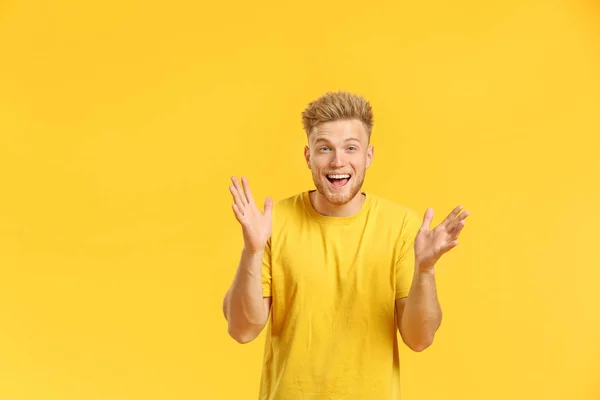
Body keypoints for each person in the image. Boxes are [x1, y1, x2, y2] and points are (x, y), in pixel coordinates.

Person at [222, 91, 469, 399]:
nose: (338, 161)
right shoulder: (273, 223)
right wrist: (253, 250)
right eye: (325, 148)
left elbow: (419, 339)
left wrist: (426, 269)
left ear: (368, 155)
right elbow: (242, 330)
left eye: (350, 148)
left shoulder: (402, 226)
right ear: (308, 156)